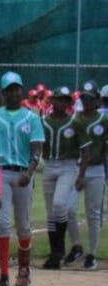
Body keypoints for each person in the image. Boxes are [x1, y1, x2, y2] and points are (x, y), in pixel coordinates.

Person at [0, 71, 44, 286]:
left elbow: (36, 148)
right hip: (1, 171)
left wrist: (29, 172)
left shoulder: (31, 118)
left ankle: (23, 269)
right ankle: (3, 274)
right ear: (3, 93)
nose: (13, 93)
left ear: (21, 91)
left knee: (23, 225)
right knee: (2, 223)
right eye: (9, 90)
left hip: (22, 173)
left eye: (16, 89)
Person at [41, 85, 84, 269]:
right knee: (51, 213)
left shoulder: (74, 122)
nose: (61, 103)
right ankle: (55, 253)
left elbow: (85, 149)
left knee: (59, 204)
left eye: (65, 100)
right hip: (49, 165)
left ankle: (59, 250)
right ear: (52, 101)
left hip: (68, 166)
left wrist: (81, 173)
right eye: (58, 99)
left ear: (69, 103)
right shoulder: (44, 121)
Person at [70, 85, 106, 271]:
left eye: (90, 98)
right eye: (84, 98)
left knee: (93, 214)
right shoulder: (75, 119)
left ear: (97, 100)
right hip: (76, 168)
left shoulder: (103, 120)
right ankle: (77, 246)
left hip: (97, 168)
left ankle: (91, 254)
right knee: (68, 209)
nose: (86, 101)